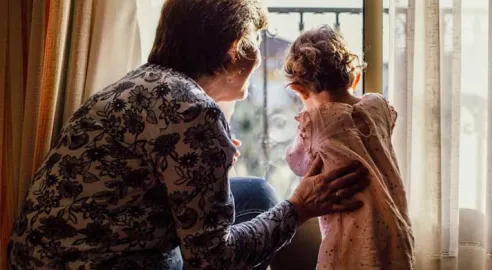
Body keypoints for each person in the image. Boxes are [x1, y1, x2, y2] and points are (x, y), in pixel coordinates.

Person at [6, 2, 370, 270]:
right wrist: (299, 208)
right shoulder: (194, 111)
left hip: (39, 259)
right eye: (255, 42)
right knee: (269, 209)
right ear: (233, 50)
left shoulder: (137, 83)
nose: (259, 55)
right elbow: (213, 258)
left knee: (257, 192)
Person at [284, 26, 414, 269]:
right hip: (394, 225)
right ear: (355, 78)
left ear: (299, 90)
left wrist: (305, 120)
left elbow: (299, 164)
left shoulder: (315, 121)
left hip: (350, 235)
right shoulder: (377, 105)